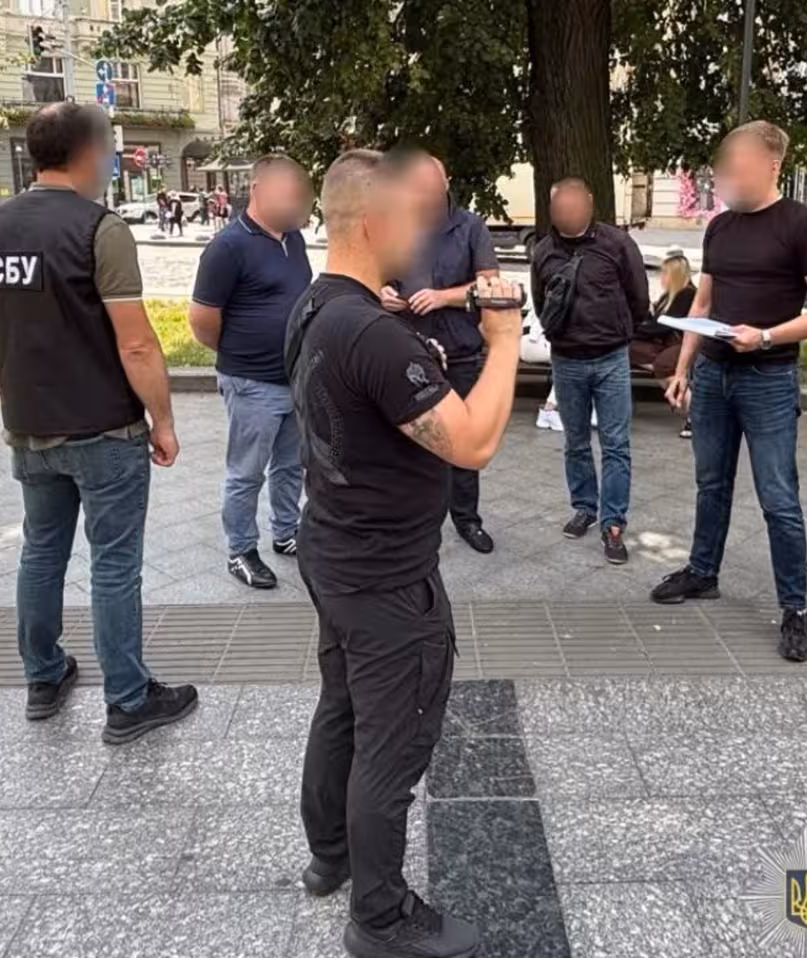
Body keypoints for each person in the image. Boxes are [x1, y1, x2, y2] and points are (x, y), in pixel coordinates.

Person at [290, 147, 522, 958]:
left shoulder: (315, 305)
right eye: (412, 221)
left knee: (343, 706)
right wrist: (503, 340)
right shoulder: (373, 334)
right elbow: (473, 443)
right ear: (372, 223)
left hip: (334, 548)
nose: (423, 237)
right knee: (391, 745)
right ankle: (380, 918)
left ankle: (331, 855)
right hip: (386, 576)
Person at [0, 101, 197, 744]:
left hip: (28, 425)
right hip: (103, 428)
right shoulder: (100, 228)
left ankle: (43, 677)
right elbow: (137, 343)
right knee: (114, 564)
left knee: (41, 551)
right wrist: (163, 419)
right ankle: (127, 699)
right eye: (108, 152)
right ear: (89, 153)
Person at [649, 120, 807, 662]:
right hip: (713, 376)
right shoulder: (720, 227)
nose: (727, 175)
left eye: (737, 165)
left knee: (778, 498)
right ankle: (703, 572)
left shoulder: (802, 226)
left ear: (772, 164)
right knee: (710, 483)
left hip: (768, 378)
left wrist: (765, 336)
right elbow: (704, 303)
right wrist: (684, 368)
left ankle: (795, 608)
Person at [189, 155, 313, 588]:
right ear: (258, 189)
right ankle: (241, 550)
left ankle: (286, 532)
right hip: (251, 383)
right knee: (246, 473)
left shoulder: (293, 239)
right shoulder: (228, 247)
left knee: (290, 466)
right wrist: (241, 355)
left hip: (294, 378)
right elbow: (202, 320)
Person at [381, 153, 501, 554]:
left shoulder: (471, 227)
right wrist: (383, 293)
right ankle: (409, 520)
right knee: (407, 439)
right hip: (407, 351)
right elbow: (373, 275)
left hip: (459, 350)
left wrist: (443, 297)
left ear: (446, 184)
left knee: (462, 439)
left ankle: (467, 519)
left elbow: (489, 286)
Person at [530, 177, 651, 565]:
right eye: (560, 209)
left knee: (616, 444)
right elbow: (540, 302)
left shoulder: (617, 244)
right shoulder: (544, 251)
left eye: (573, 206)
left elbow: (639, 297)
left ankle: (613, 523)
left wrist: (620, 333)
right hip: (566, 361)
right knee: (576, 442)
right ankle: (585, 506)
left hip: (611, 358)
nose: (567, 214)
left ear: (589, 203)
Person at [629, 247, 696, 438]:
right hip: (666, 343)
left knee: (664, 366)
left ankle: (694, 414)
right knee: (625, 349)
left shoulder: (686, 294)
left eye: (665, 273)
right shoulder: (670, 296)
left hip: (682, 344)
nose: (661, 278)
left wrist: (634, 331)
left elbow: (662, 326)